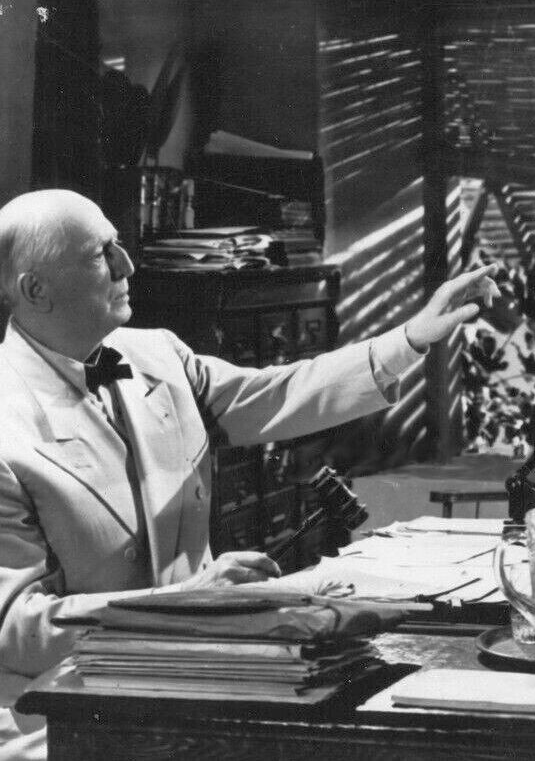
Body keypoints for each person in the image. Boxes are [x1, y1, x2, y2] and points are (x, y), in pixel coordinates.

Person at [0, 189, 498, 760]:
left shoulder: (157, 356)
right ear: (35, 290)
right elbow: (16, 630)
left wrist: (411, 339)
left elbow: (278, 395)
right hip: (60, 720)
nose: (126, 265)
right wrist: (186, 601)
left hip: (200, 687)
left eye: (118, 244)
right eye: (99, 254)